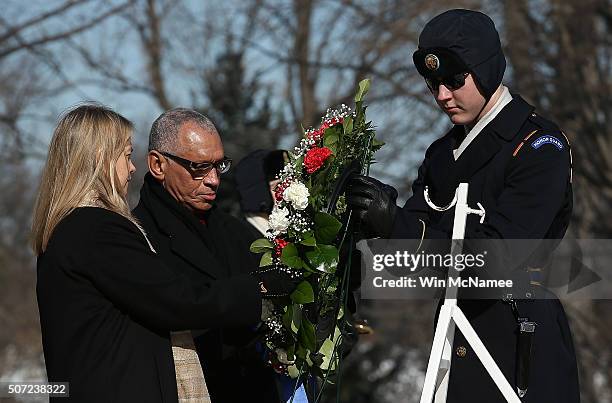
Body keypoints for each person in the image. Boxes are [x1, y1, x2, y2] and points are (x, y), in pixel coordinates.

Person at [346, 9, 579, 403]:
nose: (441, 95)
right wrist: (374, 218)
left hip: (518, 341)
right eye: (432, 83)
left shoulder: (538, 146)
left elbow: (500, 258)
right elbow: (418, 256)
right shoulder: (442, 153)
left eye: (454, 80)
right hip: (453, 337)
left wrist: (401, 226)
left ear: (487, 71)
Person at [32, 104, 296, 402]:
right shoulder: (95, 228)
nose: (132, 168)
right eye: (126, 155)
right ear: (98, 160)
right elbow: (177, 300)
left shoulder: (72, 229)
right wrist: (260, 287)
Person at [132, 110, 284, 402]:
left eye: (219, 166)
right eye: (199, 167)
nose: (213, 180)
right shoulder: (136, 238)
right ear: (158, 164)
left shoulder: (234, 231)